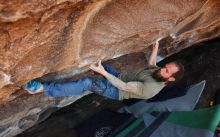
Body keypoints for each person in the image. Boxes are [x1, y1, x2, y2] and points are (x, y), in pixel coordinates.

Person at [23, 40, 184, 101]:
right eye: (165, 67)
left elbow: (123, 87)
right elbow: (152, 65)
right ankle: (91, 72)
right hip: (121, 77)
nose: (163, 70)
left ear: (170, 79)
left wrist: (103, 73)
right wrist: (155, 47)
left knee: (88, 83)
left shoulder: (151, 89)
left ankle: (43, 89)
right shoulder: (159, 73)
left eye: (167, 72)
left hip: (118, 91)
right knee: (100, 65)